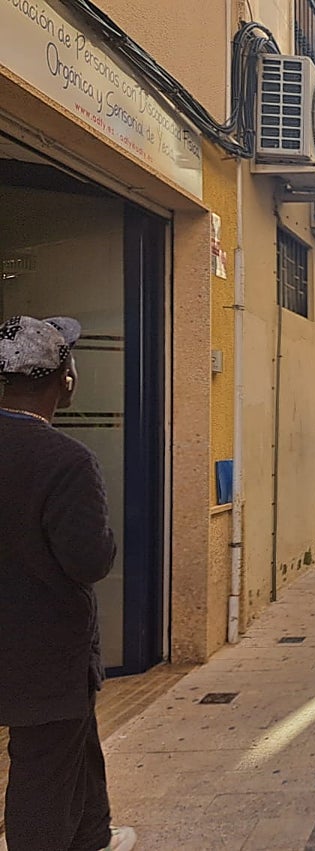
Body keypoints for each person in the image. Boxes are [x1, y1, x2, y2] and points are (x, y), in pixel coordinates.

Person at [0, 315, 137, 851]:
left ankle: (93, 836)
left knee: (77, 744)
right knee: (43, 772)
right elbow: (89, 561)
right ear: (66, 378)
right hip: (45, 650)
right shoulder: (66, 460)